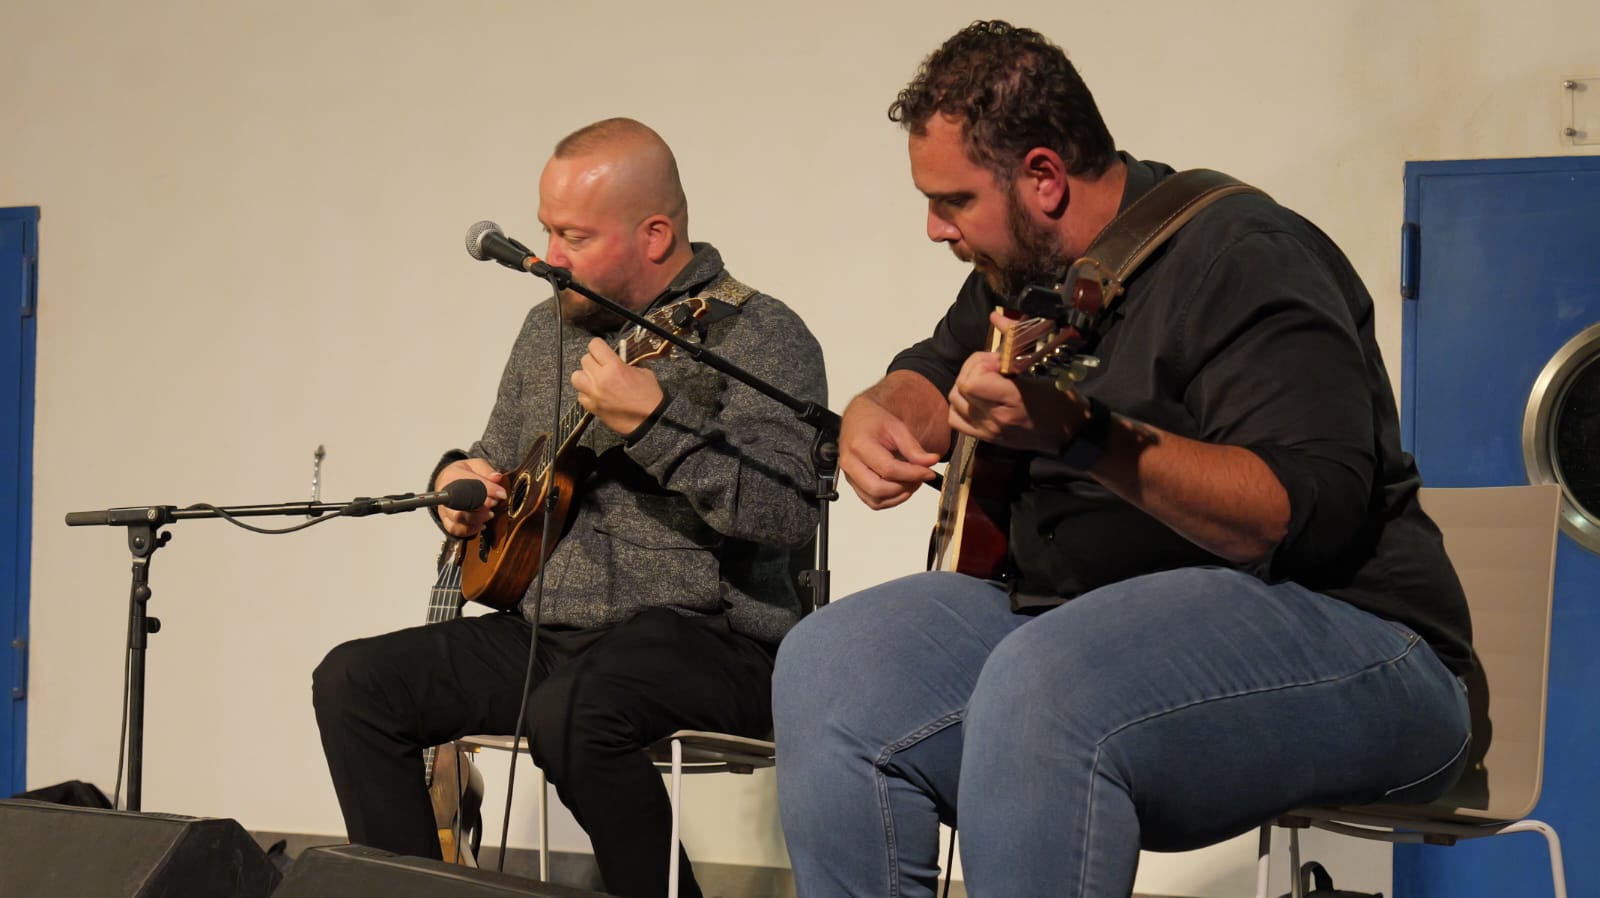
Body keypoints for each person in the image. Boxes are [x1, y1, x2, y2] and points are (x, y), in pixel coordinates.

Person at [772, 21, 1472, 898]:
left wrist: (1079, 434)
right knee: (829, 666)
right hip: (1081, 630)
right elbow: (935, 366)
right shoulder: (1029, 267)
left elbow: (1295, 510)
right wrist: (882, 411)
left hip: (1363, 645)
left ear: (1043, 179)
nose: (931, 227)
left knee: (1050, 686)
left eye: (952, 201)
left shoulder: (1247, 260)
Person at [313, 117, 827, 898]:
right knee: (354, 682)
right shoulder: (546, 330)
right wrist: (459, 489)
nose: (549, 258)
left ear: (654, 235)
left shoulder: (759, 334)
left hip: (712, 639)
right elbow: (501, 464)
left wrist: (655, 426)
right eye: (547, 230)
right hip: (549, 630)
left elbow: (787, 511)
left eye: (573, 237)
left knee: (573, 712)